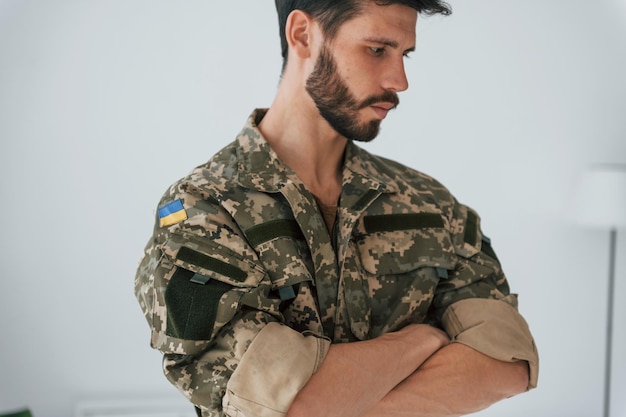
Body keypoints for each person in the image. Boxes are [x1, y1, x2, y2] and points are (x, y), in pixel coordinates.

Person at [135, 1, 539, 416]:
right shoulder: (204, 208)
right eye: (377, 49)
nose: (399, 81)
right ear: (303, 35)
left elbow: (506, 364)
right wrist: (422, 339)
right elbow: (275, 403)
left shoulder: (429, 202)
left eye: (406, 55)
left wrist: (335, 401)